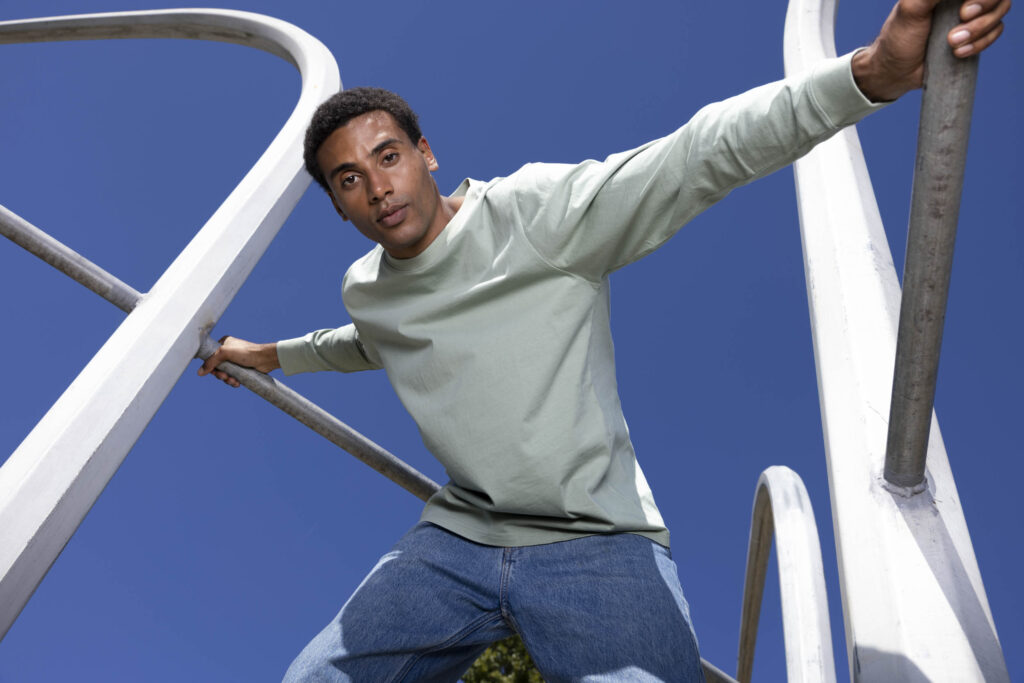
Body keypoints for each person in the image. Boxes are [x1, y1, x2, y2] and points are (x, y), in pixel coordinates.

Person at [199, 0, 1010, 680]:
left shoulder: (535, 215)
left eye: (388, 156)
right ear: (337, 205)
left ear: (426, 154)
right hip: (457, 538)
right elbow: (364, 339)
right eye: (350, 179)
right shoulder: (366, 286)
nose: (378, 187)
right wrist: (269, 354)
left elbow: (694, 157)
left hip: (597, 543)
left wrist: (867, 75)